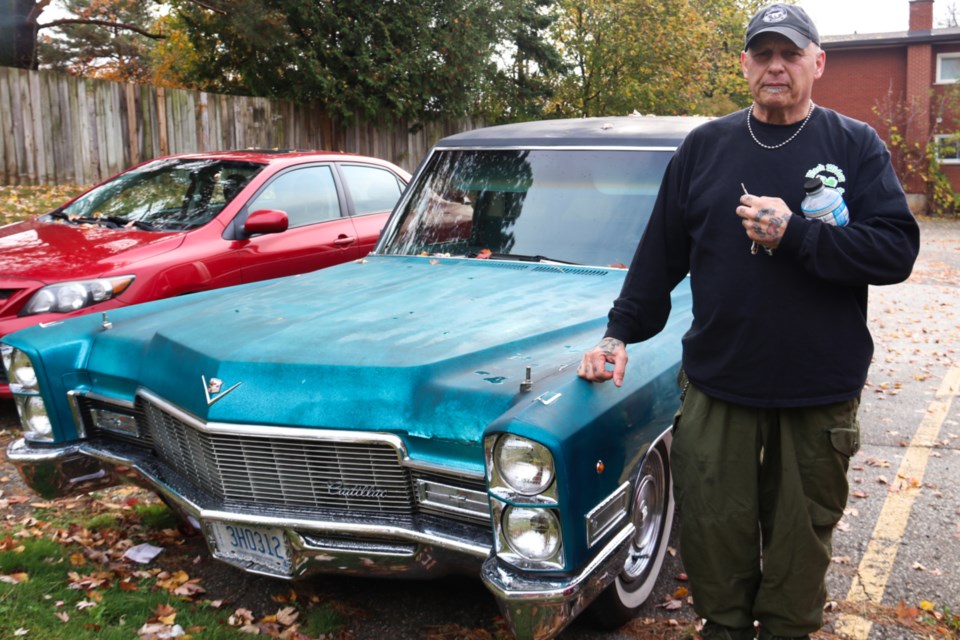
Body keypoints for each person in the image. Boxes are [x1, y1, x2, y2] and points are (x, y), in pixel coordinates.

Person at [577, 4, 920, 640]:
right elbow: (658, 257)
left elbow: (896, 251)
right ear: (744, 65)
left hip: (817, 391)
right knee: (713, 536)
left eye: (790, 54)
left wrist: (796, 235)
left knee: (797, 555)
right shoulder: (706, 148)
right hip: (719, 387)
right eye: (762, 54)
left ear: (818, 63)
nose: (776, 66)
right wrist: (616, 334)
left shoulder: (854, 145)